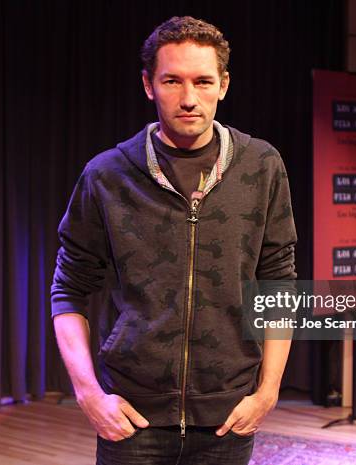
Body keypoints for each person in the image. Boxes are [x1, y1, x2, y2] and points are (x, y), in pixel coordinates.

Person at [51, 15, 297, 465]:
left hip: (227, 416)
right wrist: (89, 396)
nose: (189, 99)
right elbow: (68, 290)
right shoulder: (108, 174)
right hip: (133, 419)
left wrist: (267, 392)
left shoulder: (261, 165)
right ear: (148, 85)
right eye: (172, 81)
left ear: (223, 84)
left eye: (203, 81)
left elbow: (278, 283)